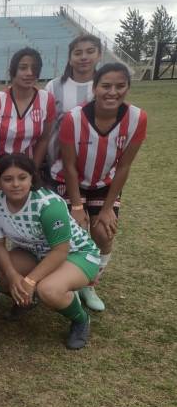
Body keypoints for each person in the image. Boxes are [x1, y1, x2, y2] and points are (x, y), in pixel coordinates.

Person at [50, 63, 146, 312]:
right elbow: (69, 165)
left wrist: (106, 209)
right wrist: (77, 206)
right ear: (94, 88)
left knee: (103, 232)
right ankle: (69, 278)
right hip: (69, 180)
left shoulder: (137, 117)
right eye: (106, 86)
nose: (112, 92)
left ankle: (89, 283)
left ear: (127, 88)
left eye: (120, 86)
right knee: (76, 231)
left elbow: (124, 167)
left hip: (105, 183)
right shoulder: (74, 117)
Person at [0, 154, 101, 349]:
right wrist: (13, 276)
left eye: (22, 177)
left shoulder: (48, 204)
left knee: (47, 289)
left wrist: (29, 280)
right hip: (36, 254)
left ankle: (80, 319)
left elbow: (60, 251)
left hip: (76, 253)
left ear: (32, 178)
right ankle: (26, 302)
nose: (15, 184)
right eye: (7, 179)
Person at [0, 47, 55, 171]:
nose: (29, 73)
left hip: (27, 171)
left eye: (34, 68)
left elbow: (43, 140)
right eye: (23, 68)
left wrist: (33, 172)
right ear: (13, 71)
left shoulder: (47, 100)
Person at [44, 35, 102, 169]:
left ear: (99, 55)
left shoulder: (106, 86)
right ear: (70, 59)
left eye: (90, 51)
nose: (84, 57)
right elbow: (46, 129)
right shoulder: (53, 86)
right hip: (57, 165)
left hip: (95, 165)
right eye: (78, 53)